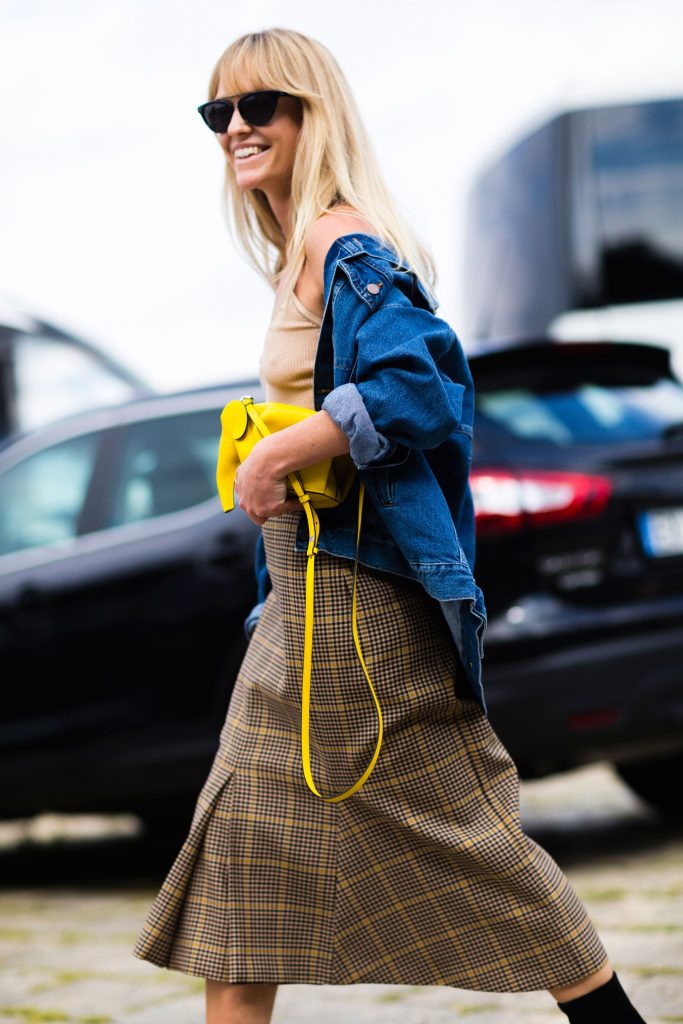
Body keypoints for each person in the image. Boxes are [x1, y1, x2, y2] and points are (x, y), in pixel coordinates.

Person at [132, 27, 647, 1024]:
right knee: (248, 857)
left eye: (258, 106)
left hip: (357, 610)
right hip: (307, 600)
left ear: (307, 114)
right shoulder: (298, 254)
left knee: (464, 838)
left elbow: (423, 384)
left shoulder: (343, 243)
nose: (235, 128)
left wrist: (278, 453)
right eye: (217, 112)